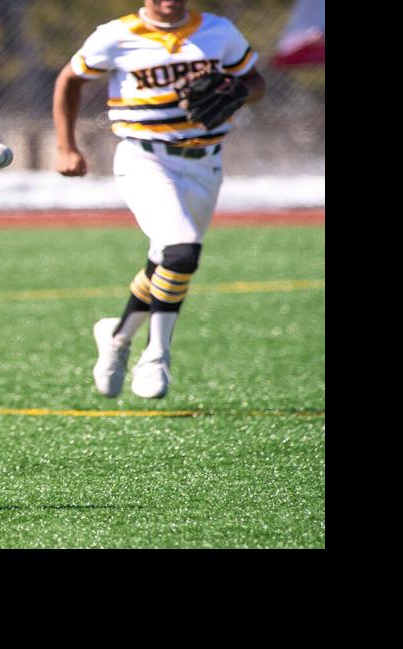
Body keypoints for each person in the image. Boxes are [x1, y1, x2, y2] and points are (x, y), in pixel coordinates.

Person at [53, 0, 264, 399]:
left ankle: (116, 338)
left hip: (206, 163)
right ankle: (156, 354)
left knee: (167, 261)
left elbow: (256, 81)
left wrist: (239, 91)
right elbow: (70, 79)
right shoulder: (117, 34)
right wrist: (66, 146)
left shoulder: (217, 31)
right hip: (145, 157)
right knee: (182, 252)